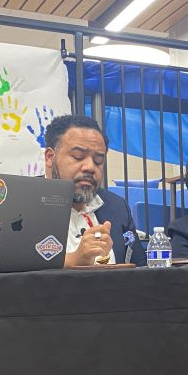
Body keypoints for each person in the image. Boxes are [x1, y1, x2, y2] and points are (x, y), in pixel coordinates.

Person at [42, 114, 146, 267]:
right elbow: (11, 271)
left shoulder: (117, 206)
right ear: (50, 157)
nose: (90, 167)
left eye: (98, 160)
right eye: (78, 156)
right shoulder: (23, 203)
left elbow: (140, 266)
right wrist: (73, 260)